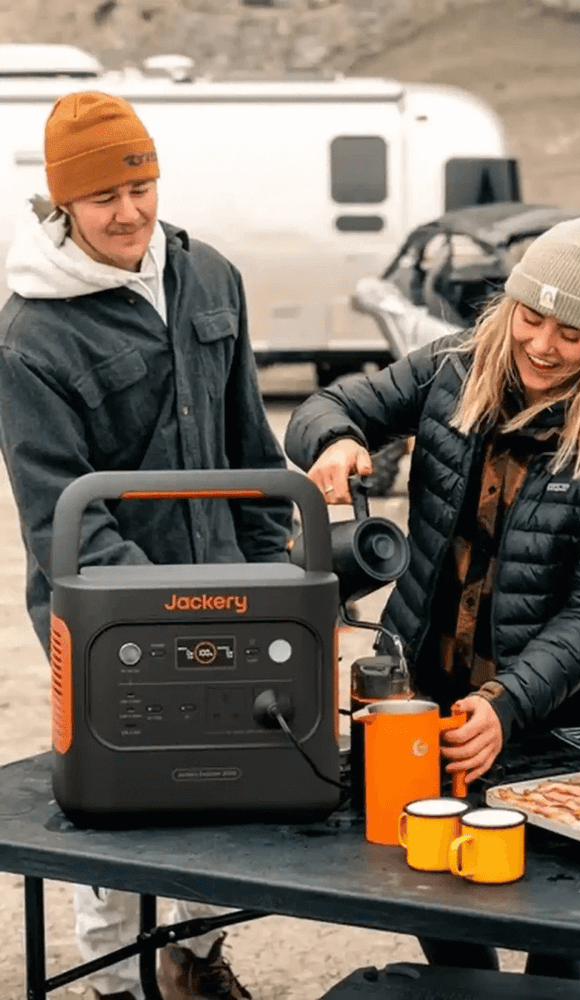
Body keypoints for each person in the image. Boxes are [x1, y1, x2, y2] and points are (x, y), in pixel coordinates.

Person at [285, 214, 580, 978]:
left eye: (573, 334)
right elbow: (325, 406)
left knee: (554, 923)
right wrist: (334, 439)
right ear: (510, 305)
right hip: (419, 702)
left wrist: (508, 704)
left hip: (550, 724)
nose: (543, 345)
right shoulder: (447, 369)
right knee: (433, 888)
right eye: (532, 317)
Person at [0, 91, 291, 1000]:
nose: (129, 213)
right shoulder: (27, 338)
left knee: (215, 797)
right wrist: (170, 611)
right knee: (117, 813)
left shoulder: (212, 278)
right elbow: (64, 521)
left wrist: (271, 574)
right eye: (102, 200)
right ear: (61, 207)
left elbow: (251, 445)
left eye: (142, 186)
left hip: (231, 598)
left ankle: (195, 963)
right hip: (107, 626)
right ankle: (113, 983)